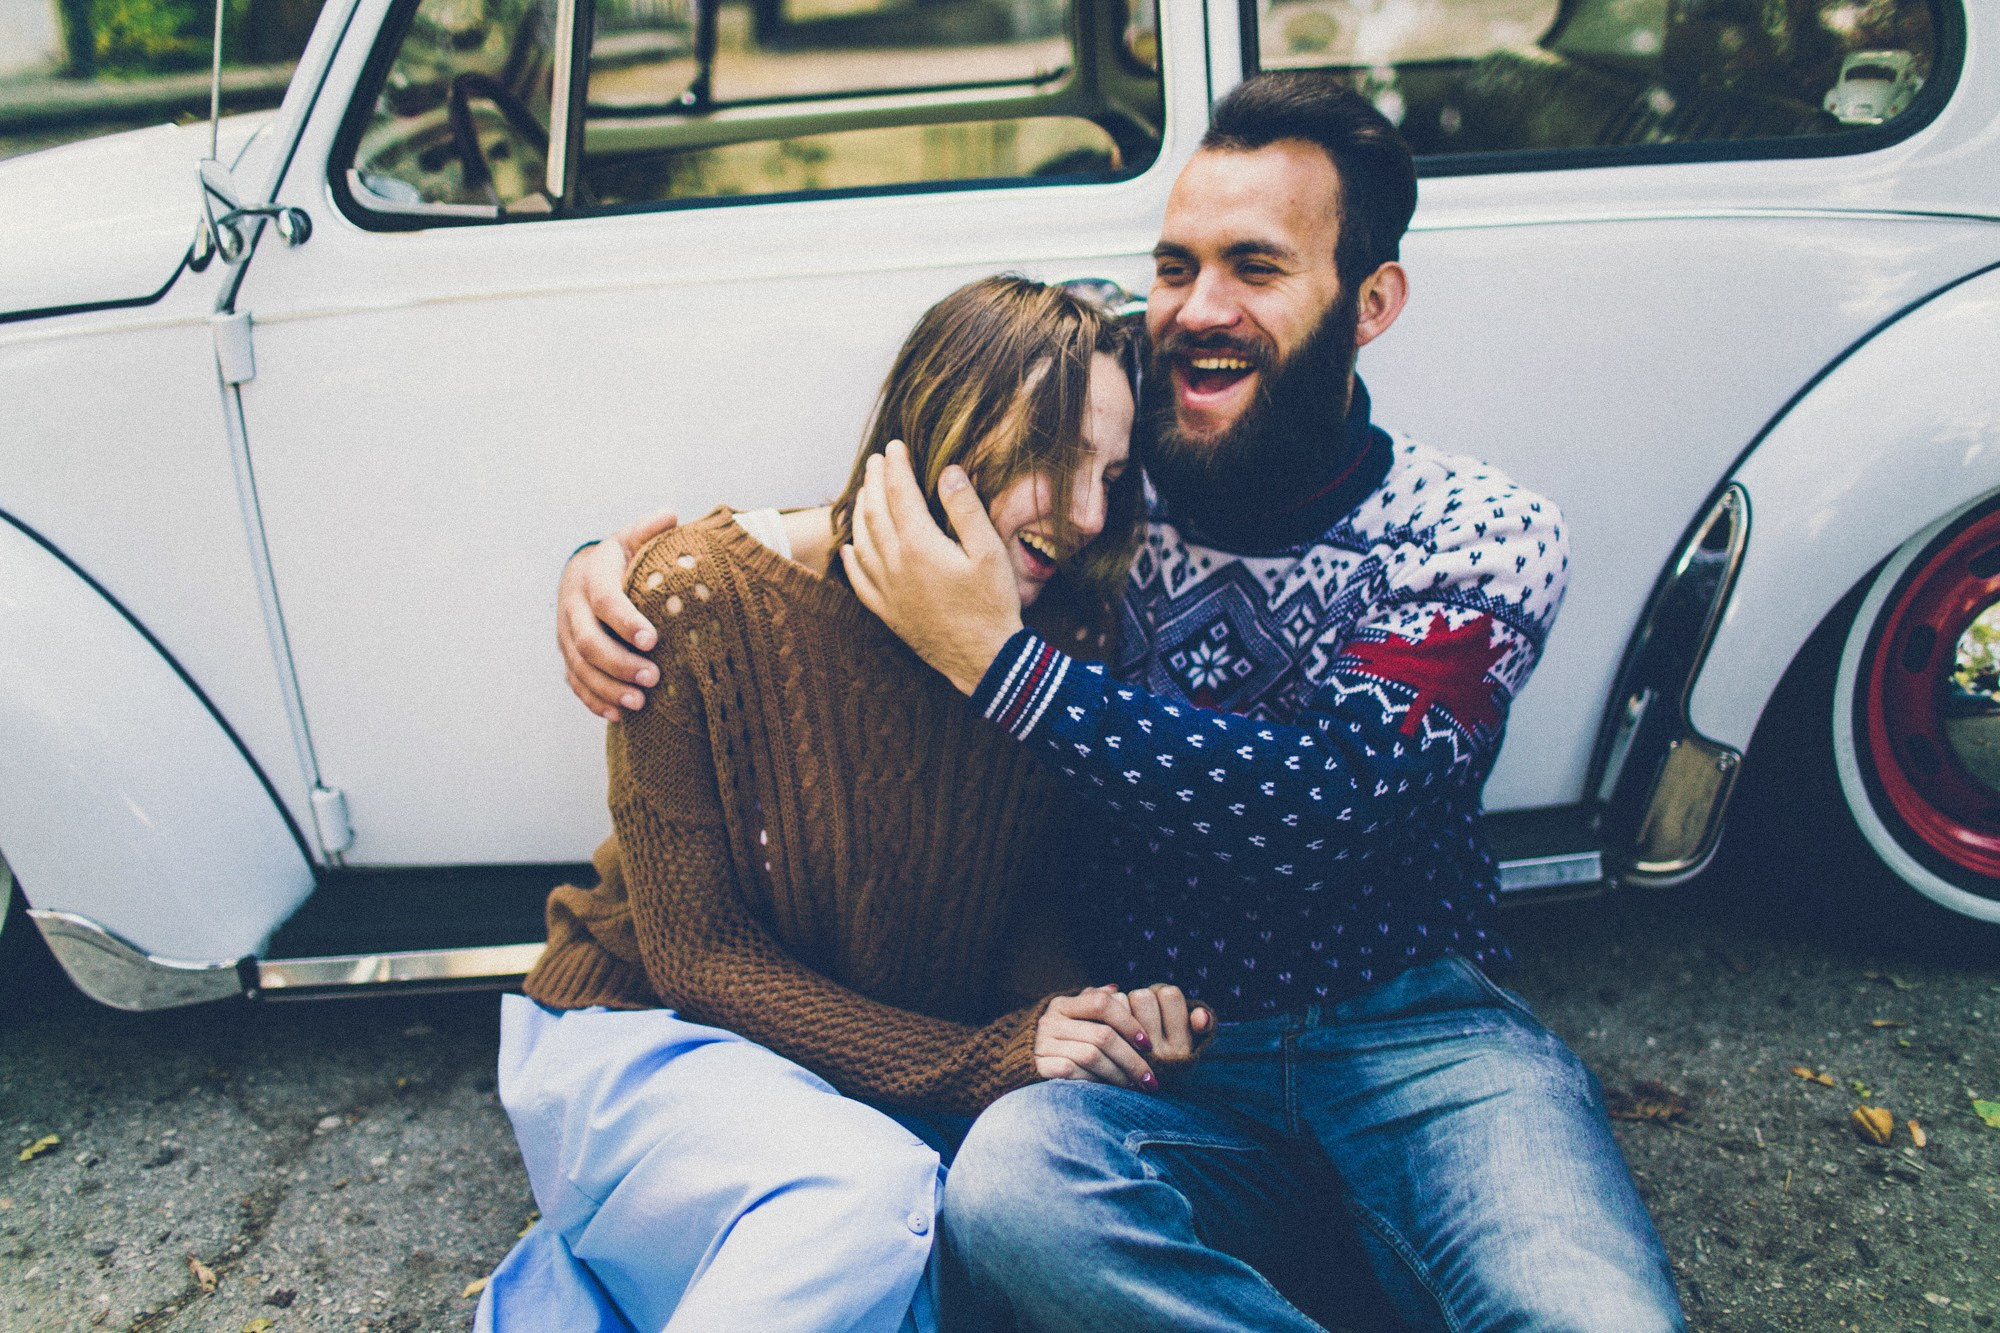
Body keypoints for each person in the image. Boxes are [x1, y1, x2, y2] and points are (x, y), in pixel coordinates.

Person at [560, 75, 1687, 1333]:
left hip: (1415, 1035)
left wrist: (1001, 663)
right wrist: (616, 572)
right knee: (1007, 1200)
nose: (1197, 310)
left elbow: (1323, 808)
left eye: (1253, 267)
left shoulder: (1478, 536)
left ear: (1370, 302)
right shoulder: (1084, 515)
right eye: (1173, 266)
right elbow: (880, 517)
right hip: (1158, 1056)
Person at [482, 275, 1212, 1333]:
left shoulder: (1056, 644)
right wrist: (987, 1056)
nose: (1088, 511)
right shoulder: (698, 595)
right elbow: (700, 955)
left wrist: (1088, 1018)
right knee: (862, 1201)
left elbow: (1010, 909)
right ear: (944, 419)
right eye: (1053, 459)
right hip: (645, 1034)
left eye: (1109, 474)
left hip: (854, 1077)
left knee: (933, 1268)